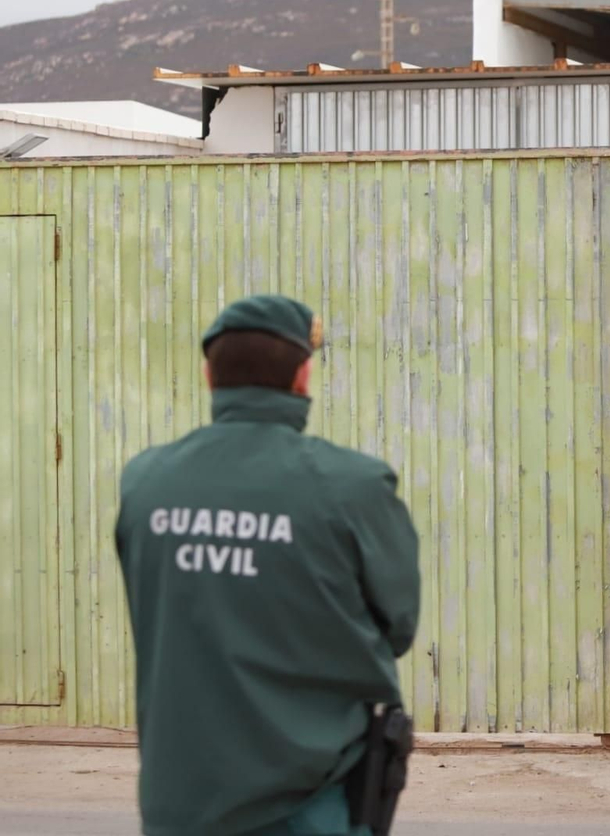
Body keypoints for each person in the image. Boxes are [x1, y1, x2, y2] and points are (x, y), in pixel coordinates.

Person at [115, 295, 421, 836]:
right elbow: (396, 626)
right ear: (303, 375)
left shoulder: (146, 483)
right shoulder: (354, 487)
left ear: (210, 375)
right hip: (307, 799)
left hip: (176, 802)